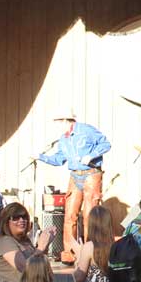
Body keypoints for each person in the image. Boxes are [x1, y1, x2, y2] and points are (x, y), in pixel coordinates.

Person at [38, 112, 111, 264]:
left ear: (66, 120)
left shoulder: (86, 130)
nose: (57, 125)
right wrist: (40, 157)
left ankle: (91, 254)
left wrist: (91, 155)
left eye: (58, 122)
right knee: (69, 215)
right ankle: (69, 254)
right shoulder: (63, 139)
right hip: (75, 175)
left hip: (91, 173)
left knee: (89, 216)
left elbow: (106, 144)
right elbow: (59, 160)